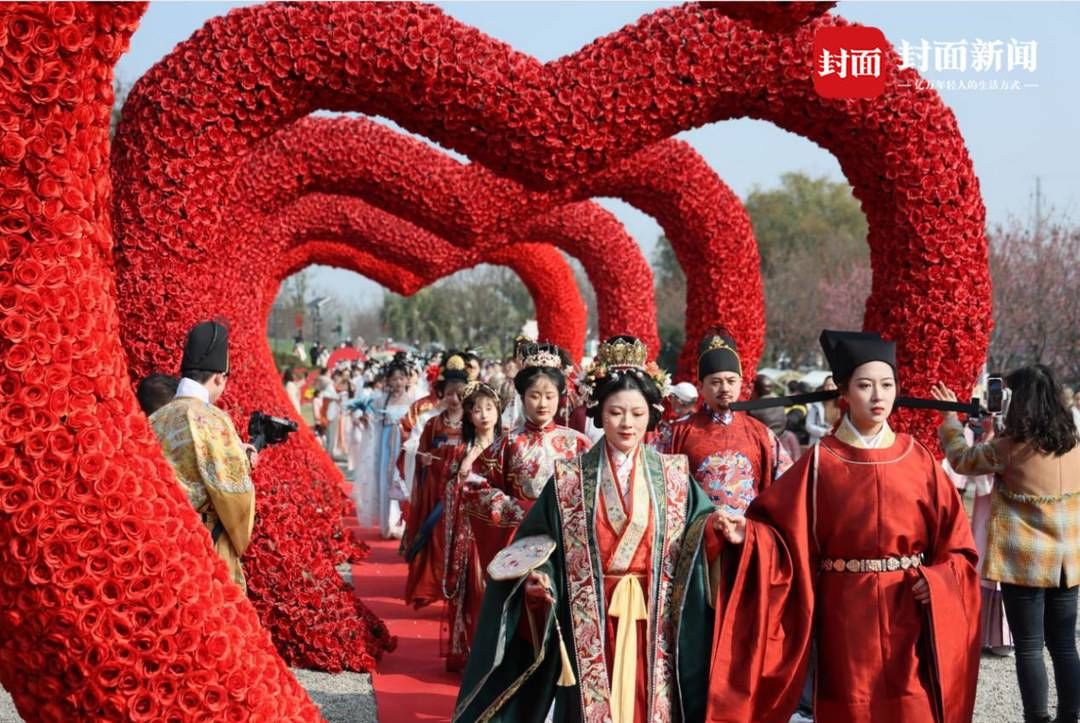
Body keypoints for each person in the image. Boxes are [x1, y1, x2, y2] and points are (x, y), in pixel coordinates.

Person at [708, 330, 981, 723]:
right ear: (844, 390)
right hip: (844, 612)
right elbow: (780, 534)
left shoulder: (918, 459)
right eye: (865, 385)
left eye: (887, 385)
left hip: (908, 607)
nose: (878, 396)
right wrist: (746, 535)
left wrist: (938, 578)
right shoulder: (821, 462)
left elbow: (958, 544)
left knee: (913, 705)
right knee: (849, 706)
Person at [454, 336, 725, 722]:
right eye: (616, 412)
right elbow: (538, 542)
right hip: (590, 615)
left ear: (652, 413)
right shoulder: (570, 479)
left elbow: (701, 529)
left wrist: (722, 528)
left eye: (636, 413)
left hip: (656, 618)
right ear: (599, 413)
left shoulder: (675, 475)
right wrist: (540, 578)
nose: (626, 423)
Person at [933, 365, 1080, 723]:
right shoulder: (1072, 443)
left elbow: (962, 460)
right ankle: (1070, 715)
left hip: (1025, 562)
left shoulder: (1009, 448)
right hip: (1069, 562)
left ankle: (1036, 718)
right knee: (1063, 645)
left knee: (1030, 646)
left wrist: (950, 420)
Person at [149, 321, 258, 592]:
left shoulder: (155, 418)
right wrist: (244, 463)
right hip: (204, 545)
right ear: (220, 376)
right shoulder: (213, 420)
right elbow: (233, 493)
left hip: (161, 542)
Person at [462, 343, 591, 572]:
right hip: (520, 539)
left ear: (560, 397)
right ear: (522, 397)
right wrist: (519, 508)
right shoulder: (507, 443)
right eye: (535, 396)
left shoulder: (578, 443)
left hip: (567, 541)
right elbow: (476, 487)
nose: (542, 403)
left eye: (549, 396)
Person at [658, 329, 792, 515]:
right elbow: (658, 487)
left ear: (740, 383)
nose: (725, 388)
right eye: (715, 382)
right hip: (697, 538)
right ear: (700, 386)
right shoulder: (676, 433)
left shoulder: (760, 433)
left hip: (747, 535)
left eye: (731, 381)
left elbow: (787, 485)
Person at [441, 381, 503, 672]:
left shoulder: (508, 446)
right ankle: (472, 651)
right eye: (477, 409)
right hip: (471, 532)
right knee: (474, 591)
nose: (484, 414)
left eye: (489, 408)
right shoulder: (462, 450)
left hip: (500, 529)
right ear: (468, 415)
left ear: (498, 410)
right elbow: (452, 488)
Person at [403, 353, 470, 609]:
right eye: (450, 393)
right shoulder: (432, 423)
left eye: (460, 394)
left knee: (457, 536)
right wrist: (425, 461)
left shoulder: (473, 424)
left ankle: (455, 587)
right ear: (442, 394)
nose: (455, 399)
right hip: (435, 485)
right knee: (434, 536)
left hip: (460, 485)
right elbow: (421, 452)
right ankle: (429, 586)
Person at [353, 361, 411, 539]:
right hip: (386, 446)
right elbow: (373, 420)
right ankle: (387, 525)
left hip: (404, 445)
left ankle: (403, 524)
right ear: (388, 381)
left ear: (407, 379)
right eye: (394, 379)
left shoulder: (413, 398)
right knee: (386, 482)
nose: (398, 382)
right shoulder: (381, 399)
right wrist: (365, 420)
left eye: (401, 378)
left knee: (403, 482)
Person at [805, 375, 839, 444]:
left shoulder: (844, 404)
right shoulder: (816, 405)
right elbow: (809, 425)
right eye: (827, 385)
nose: (829, 388)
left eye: (832, 385)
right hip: (819, 443)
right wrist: (824, 432)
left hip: (837, 443)